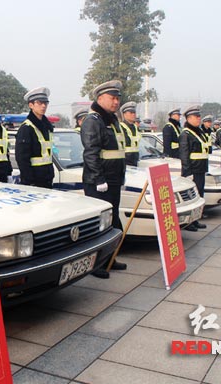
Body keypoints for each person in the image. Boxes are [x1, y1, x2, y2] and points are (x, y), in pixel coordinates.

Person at [80, 80, 128, 278]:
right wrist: (99, 179)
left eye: (117, 98)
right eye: (112, 98)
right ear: (100, 99)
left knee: (112, 221)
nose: (116, 102)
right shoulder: (93, 120)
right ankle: (97, 264)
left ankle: (109, 258)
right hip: (99, 182)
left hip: (113, 179)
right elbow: (91, 152)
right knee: (101, 224)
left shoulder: (110, 119)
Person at [15, 87, 54, 188]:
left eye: (46, 103)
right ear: (31, 105)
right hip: (33, 181)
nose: (43, 106)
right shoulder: (26, 128)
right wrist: (29, 182)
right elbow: (22, 158)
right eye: (40, 103)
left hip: (47, 178)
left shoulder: (46, 127)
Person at [179, 105, 208, 231]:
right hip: (193, 170)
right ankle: (189, 222)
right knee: (191, 198)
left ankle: (195, 219)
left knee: (199, 195)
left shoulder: (198, 132)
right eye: (196, 117)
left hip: (200, 169)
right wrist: (187, 173)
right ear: (189, 118)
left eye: (199, 116)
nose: (199, 119)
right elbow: (184, 155)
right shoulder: (186, 134)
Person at [119, 101, 140, 166]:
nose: (133, 114)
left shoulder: (135, 127)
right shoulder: (120, 127)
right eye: (131, 113)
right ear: (124, 114)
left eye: (134, 112)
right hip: (124, 160)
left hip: (135, 160)